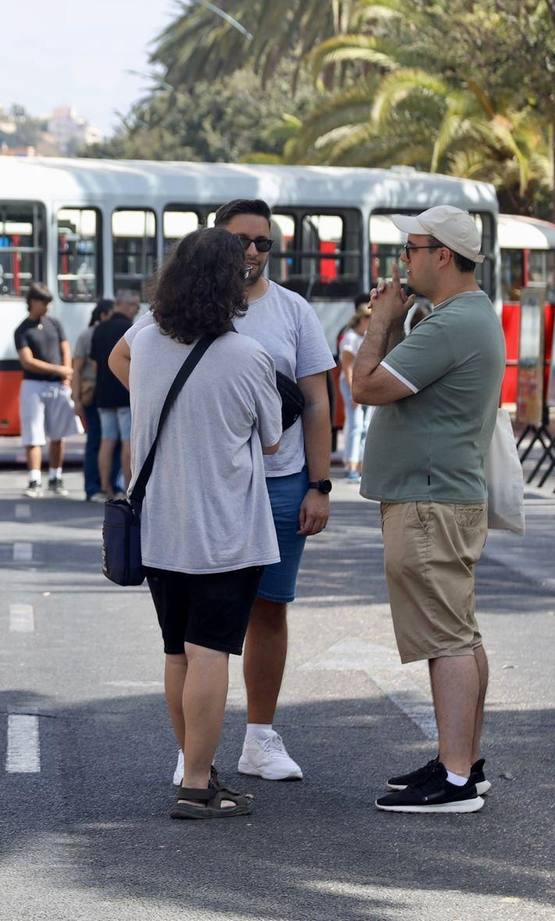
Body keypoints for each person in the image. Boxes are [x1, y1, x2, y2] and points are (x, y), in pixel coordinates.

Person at [106, 228, 282, 819]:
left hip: (159, 525)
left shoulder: (148, 342)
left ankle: (194, 766)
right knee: (210, 654)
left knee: (177, 653)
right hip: (225, 531)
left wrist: (149, 406)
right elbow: (274, 437)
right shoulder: (248, 357)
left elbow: (117, 357)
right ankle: (198, 784)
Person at [350, 205, 505, 814]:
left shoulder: (453, 322)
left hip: (430, 500)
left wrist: (380, 319)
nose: (402, 260)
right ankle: (459, 760)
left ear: (443, 254)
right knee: (459, 633)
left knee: (446, 639)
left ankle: (458, 779)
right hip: (437, 496)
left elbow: (366, 386)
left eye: (411, 248)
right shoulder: (457, 315)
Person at [206, 198, 336, 784]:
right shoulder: (193, 305)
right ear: (217, 243)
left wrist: (320, 485)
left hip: (282, 486)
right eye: (241, 241)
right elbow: (131, 361)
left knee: (269, 611)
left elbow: (316, 402)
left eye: (263, 243)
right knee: (201, 613)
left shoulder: (294, 312)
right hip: (211, 486)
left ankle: (259, 739)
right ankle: (195, 749)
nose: (253, 252)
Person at [14, 282, 82, 498]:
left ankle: (55, 476)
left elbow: (65, 346)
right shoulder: (22, 329)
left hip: (57, 384)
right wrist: (60, 369)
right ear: (33, 302)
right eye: (44, 302)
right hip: (34, 385)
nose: (48, 307)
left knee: (58, 434)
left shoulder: (54, 323)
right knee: (34, 434)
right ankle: (35, 479)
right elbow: (27, 361)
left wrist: (66, 374)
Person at [90, 290, 141, 502]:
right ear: (127, 305)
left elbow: (94, 365)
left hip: (103, 394)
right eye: (136, 307)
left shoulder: (99, 329)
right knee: (128, 442)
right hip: (124, 392)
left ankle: (104, 488)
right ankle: (127, 490)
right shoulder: (130, 331)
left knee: (106, 441)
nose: (138, 311)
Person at [73, 298, 121, 502]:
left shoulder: (100, 333)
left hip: (104, 394)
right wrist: (76, 398)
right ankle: (93, 487)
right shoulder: (87, 335)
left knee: (110, 441)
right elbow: (76, 369)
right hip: (93, 394)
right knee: (96, 440)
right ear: (103, 316)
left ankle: (107, 484)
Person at [339, 305, 374, 482]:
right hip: (352, 383)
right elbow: (347, 368)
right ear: (362, 319)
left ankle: (360, 465)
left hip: (365, 383)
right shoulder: (350, 338)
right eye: (370, 318)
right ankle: (351, 466)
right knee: (356, 425)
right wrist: (354, 391)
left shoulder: (365, 336)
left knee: (366, 426)